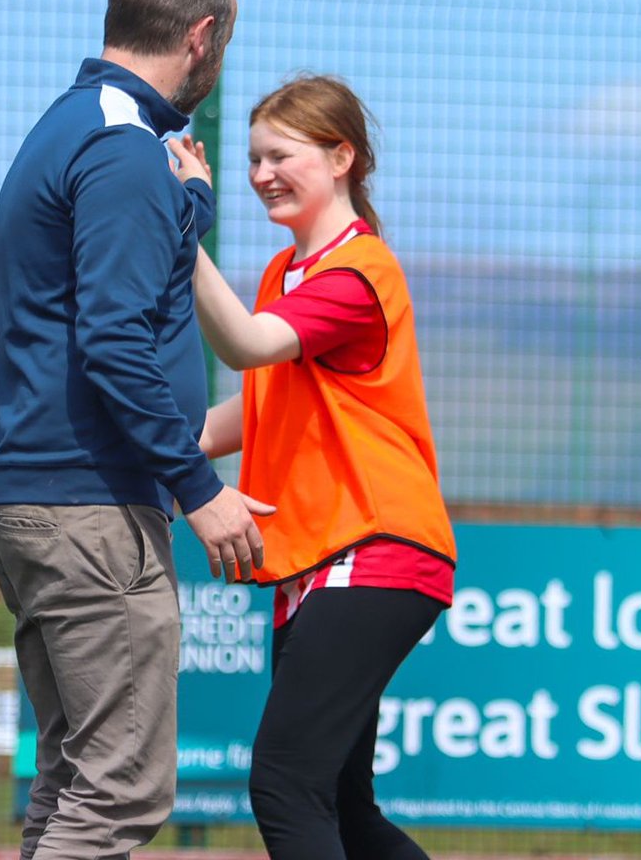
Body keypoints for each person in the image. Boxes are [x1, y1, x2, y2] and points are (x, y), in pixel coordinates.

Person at [0, 0, 273, 860]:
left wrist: (190, 209)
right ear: (202, 34)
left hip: (47, 498)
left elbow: (113, 286)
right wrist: (199, 487)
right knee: (121, 794)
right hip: (90, 506)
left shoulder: (84, 129)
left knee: (74, 779)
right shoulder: (122, 150)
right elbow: (112, 339)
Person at [169, 75, 456, 860]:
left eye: (281, 155)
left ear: (341, 158)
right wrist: (161, 446)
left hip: (377, 546)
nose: (262, 172)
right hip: (324, 554)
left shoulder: (357, 273)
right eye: (255, 157)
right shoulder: (278, 276)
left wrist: (181, 231)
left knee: (284, 783)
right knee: (337, 802)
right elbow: (259, 404)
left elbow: (249, 345)